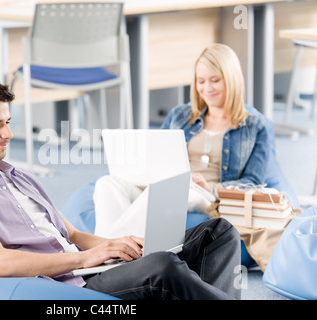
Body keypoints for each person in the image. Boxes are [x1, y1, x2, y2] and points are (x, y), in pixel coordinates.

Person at [0, 75, 241, 300]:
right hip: (65, 288)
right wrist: (85, 259)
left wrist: (118, 246)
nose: (9, 133)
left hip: (92, 270)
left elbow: (74, 235)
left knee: (218, 232)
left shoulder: (21, 176)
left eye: (8, 122)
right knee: (163, 267)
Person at [94, 43, 270, 238]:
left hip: (206, 195)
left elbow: (253, 184)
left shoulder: (255, 126)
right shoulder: (180, 115)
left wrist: (208, 186)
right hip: (166, 183)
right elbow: (155, 155)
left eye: (215, 80)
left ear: (232, 79)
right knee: (107, 184)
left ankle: (105, 249)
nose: (207, 88)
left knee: (167, 192)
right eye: (200, 81)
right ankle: (111, 252)